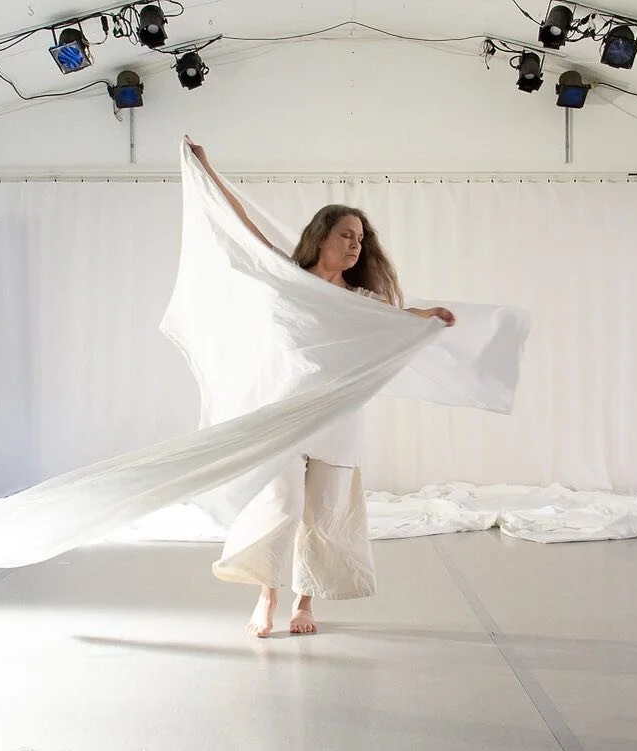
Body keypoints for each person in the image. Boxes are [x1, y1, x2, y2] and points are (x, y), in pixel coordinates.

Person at [185, 137, 455, 637]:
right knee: (281, 506)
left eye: (360, 240)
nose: (355, 247)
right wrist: (207, 170)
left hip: (338, 419)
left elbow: (396, 320)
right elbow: (245, 225)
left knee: (323, 513)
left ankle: (304, 604)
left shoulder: (360, 300)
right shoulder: (287, 277)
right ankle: (267, 596)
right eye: (347, 236)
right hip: (286, 413)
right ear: (321, 236)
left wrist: (427, 315)